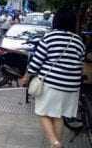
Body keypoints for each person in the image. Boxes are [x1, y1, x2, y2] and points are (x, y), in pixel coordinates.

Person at [20, 9, 85, 148]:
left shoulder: (50, 37)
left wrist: (26, 77)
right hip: (71, 86)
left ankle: (54, 142)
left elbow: (36, 62)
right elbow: (80, 64)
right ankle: (56, 145)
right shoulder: (78, 41)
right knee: (58, 115)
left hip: (51, 84)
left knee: (42, 112)